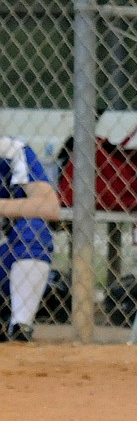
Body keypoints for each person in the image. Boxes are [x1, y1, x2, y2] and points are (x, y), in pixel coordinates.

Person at [0, 135, 61, 342]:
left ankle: (20, 327)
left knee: (34, 230)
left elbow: (49, 207)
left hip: (4, 264)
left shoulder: (10, 150)